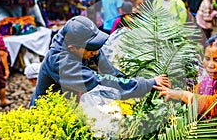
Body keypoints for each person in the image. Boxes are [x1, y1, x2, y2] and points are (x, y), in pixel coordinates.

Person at [29, 16, 171, 106]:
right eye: (91, 50)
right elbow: (100, 81)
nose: (95, 53)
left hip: (69, 104)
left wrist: (139, 83)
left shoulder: (85, 44)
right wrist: (147, 84)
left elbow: (110, 72)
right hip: (47, 113)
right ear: (72, 48)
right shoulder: (60, 63)